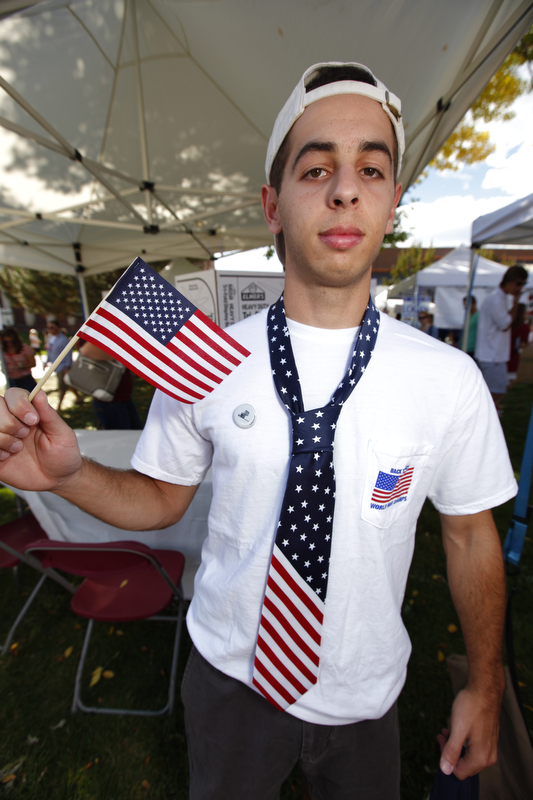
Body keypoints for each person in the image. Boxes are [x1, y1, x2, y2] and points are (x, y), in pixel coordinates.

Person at [0, 62, 517, 799]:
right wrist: (68, 474)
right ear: (272, 205)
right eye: (316, 168)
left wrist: (487, 686)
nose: (344, 188)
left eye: (370, 168)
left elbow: (469, 535)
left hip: (367, 697)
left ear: (392, 200)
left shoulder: (448, 380)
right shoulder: (204, 359)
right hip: (229, 683)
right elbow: (160, 500)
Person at [474, 266, 528, 411]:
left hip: (494, 354)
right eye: (519, 284)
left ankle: (487, 413)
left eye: (523, 284)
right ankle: (484, 415)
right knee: (495, 391)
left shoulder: (499, 298)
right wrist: (516, 303)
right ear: (509, 281)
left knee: (498, 389)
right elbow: (505, 324)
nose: (520, 288)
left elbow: (506, 321)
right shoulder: (496, 299)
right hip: (492, 355)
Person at [78, 341, 143, 430]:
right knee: (121, 439)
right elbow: (86, 351)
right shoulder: (103, 332)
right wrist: (122, 357)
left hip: (122, 398)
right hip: (110, 402)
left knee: (135, 435)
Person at [45, 320, 81, 410]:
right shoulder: (51, 338)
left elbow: (68, 353)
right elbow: (49, 351)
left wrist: (67, 366)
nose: (50, 329)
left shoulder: (64, 340)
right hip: (56, 366)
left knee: (62, 386)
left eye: (52, 327)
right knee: (68, 383)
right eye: (48, 327)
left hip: (62, 366)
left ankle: (59, 405)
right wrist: (47, 361)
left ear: (58, 328)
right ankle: (79, 397)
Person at [507, 303, 530, 388]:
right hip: (513, 356)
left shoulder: (509, 325)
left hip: (503, 354)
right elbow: (522, 344)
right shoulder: (524, 326)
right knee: (510, 381)